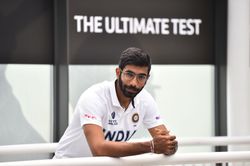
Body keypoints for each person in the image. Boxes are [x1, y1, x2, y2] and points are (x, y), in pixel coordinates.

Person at [54, 47, 178, 158]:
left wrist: (169, 146)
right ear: (118, 72)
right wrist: (150, 146)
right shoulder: (94, 97)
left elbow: (166, 143)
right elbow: (98, 149)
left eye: (141, 77)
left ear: (147, 79)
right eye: (129, 74)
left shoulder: (145, 100)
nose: (134, 83)